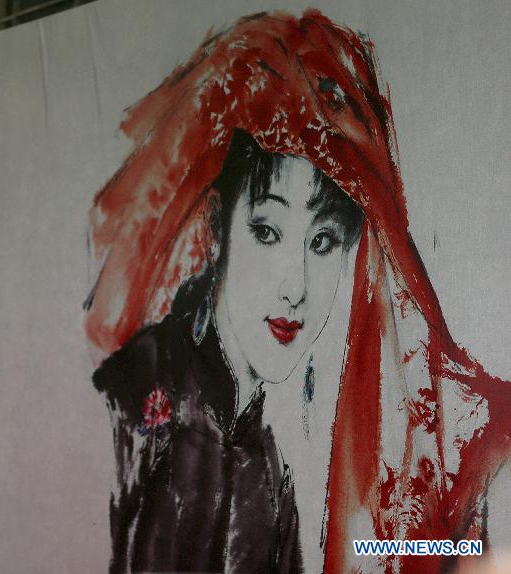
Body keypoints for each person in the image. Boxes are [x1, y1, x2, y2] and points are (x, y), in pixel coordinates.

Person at [85, 10, 510, 573]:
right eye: (266, 231)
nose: (296, 287)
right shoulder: (134, 403)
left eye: (323, 241)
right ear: (218, 227)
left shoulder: (269, 469)